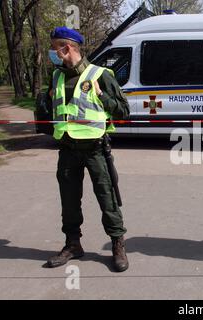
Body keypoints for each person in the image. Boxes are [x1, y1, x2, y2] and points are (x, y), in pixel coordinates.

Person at [45, 27, 129, 272]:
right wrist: (46, 99)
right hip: (68, 149)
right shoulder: (57, 77)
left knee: (107, 199)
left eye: (54, 48)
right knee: (69, 201)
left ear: (67, 47)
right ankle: (73, 245)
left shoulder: (100, 74)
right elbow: (53, 111)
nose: (52, 53)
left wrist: (103, 97)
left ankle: (117, 244)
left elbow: (123, 111)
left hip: (95, 150)